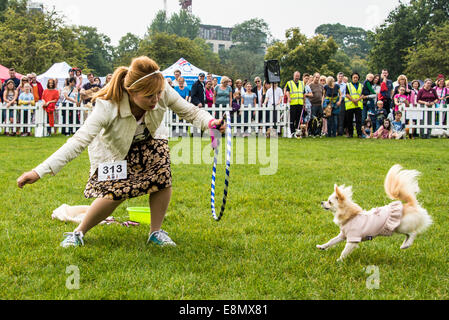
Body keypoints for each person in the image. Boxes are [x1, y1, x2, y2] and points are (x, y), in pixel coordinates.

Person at [16, 56, 226, 248]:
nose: (156, 99)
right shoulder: (107, 106)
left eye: (158, 94)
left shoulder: (161, 88)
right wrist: (39, 171)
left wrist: (210, 123)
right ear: (132, 92)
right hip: (114, 148)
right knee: (115, 194)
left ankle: (156, 232)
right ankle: (78, 233)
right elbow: (78, 141)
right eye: (149, 96)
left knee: (162, 177)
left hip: (150, 139)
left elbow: (191, 112)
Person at [345, 72, 366, 138]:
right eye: (354, 77)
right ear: (352, 78)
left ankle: (359, 134)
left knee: (358, 120)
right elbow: (347, 94)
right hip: (350, 105)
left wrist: (357, 100)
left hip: (358, 105)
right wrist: (353, 100)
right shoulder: (348, 85)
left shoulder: (361, 85)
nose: (355, 79)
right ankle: (350, 134)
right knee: (349, 120)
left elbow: (363, 94)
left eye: (356, 77)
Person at [285, 71, 305, 138]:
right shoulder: (289, 83)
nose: (297, 77)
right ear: (293, 76)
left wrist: (304, 102)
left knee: (298, 119)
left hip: (300, 103)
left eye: (298, 76)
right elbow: (287, 91)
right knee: (292, 119)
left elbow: (303, 93)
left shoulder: (302, 83)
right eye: (296, 75)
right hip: (293, 103)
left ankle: (298, 132)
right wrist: (289, 98)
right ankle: (292, 132)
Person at [306, 73, 325, 137]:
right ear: (313, 77)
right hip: (313, 104)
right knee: (313, 119)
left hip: (319, 104)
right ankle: (311, 132)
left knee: (320, 119)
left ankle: (318, 132)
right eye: (316, 77)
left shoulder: (321, 86)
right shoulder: (310, 85)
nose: (317, 79)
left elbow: (323, 94)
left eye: (318, 77)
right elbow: (307, 94)